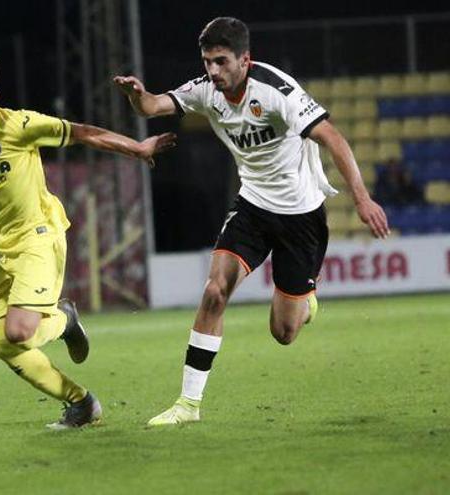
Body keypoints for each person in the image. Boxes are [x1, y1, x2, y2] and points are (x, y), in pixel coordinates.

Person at [113, 17, 390, 427]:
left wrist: (362, 199)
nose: (213, 71)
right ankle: (188, 405)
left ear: (245, 59)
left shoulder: (277, 92)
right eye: (207, 61)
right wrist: (138, 96)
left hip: (301, 216)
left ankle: (305, 301)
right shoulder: (207, 91)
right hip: (253, 207)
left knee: (284, 333)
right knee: (214, 292)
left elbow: (332, 137)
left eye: (222, 61)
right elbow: (154, 106)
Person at [0, 55, 176, 429]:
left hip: (38, 236)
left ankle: (64, 319)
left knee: (19, 331)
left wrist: (138, 149)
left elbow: (84, 132)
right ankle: (82, 404)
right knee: (5, 346)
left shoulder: (21, 125)